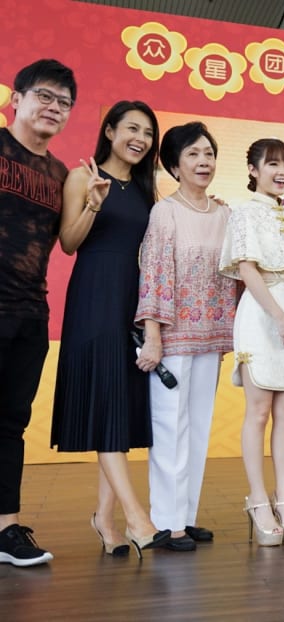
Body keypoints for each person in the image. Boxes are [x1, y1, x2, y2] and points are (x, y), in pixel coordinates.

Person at [50, 101, 170, 558]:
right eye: (131, 129)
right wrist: (93, 207)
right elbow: (68, 243)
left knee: (116, 407)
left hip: (133, 302)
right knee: (103, 401)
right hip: (95, 298)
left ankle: (105, 519)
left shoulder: (145, 189)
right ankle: (137, 519)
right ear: (110, 130)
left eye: (147, 132)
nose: (139, 138)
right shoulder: (84, 176)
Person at [135, 122, 236, 552]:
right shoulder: (165, 212)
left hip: (211, 339)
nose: (203, 162)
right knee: (169, 429)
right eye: (193, 154)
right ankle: (166, 521)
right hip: (173, 339)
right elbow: (154, 276)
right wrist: (153, 337)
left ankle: (187, 517)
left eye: (209, 153)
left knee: (197, 429)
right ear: (174, 165)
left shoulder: (226, 214)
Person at [0, 59, 75, 567]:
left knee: (9, 422)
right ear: (17, 99)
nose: (54, 108)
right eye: (45, 96)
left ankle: (5, 529)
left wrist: (88, 204)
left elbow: (66, 243)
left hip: (31, 309)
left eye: (64, 103)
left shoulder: (60, 173)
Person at [219, 138, 284, 546]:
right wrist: (279, 316)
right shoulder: (243, 212)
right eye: (272, 164)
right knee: (259, 413)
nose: (282, 171)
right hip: (260, 315)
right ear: (253, 170)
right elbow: (247, 269)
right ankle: (257, 500)